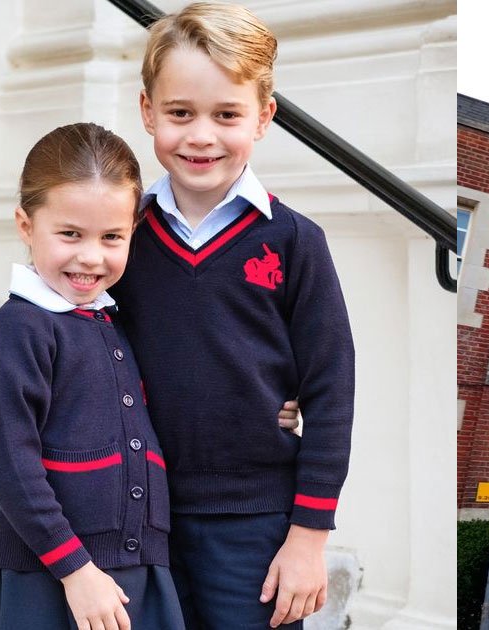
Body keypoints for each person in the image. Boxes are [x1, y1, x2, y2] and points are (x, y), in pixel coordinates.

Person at [116, 3, 355, 628]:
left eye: (227, 114)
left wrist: (309, 534)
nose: (201, 135)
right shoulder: (119, 239)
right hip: (137, 512)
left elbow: (330, 387)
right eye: (179, 113)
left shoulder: (295, 241)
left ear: (264, 117)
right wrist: (13, 415)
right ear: (148, 112)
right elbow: (64, 339)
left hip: (254, 519)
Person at [0, 122, 184, 630]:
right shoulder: (19, 332)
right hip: (48, 580)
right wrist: (75, 570)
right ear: (25, 225)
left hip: (134, 574)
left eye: (112, 237)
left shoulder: (114, 321)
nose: (90, 256)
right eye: (70, 234)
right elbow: (9, 465)